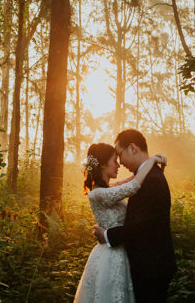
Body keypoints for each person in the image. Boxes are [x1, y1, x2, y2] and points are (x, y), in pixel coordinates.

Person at [73, 142, 167, 303]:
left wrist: (152, 162)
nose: (118, 165)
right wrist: (151, 161)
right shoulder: (98, 194)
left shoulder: (106, 188)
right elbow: (134, 185)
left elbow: (131, 178)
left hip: (120, 251)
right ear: (102, 165)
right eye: (114, 161)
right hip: (111, 256)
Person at [92, 129, 177, 302]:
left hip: (152, 268)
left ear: (132, 148)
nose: (120, 162)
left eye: (119, 155)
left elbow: (143, 226)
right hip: (146, 265)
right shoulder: (145, 175)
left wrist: (107, 235)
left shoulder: (151, 178)